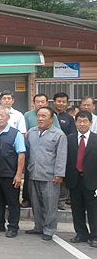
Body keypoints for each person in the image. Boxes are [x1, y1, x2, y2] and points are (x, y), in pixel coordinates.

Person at [25, 107, 67, 241]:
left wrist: (59, 174)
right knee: (36, 203)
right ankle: (38, 226)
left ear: (51, 119)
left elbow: (61, 155)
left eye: (44, 116)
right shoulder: (31, 132)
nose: (40, 118)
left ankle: (49, 229)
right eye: (38, 116)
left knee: (50, 204)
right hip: (34, 173)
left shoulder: (59, 134)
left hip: (50, 176)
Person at [0, 107, 26, 238]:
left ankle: (13, 227)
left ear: (8, 118)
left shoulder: (15, 134)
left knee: (13, 202)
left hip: (10, 175)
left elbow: (21, 155)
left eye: (2, 116)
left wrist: (19, 174)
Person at [21, 94, 61, 209]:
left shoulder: (56, 128)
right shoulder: (29, 118)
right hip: (33, 157)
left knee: (49, 198)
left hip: (49, 163)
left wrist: (59, 173)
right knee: (34, 193)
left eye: (42, 101)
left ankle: (49, 226)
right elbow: (26, 134)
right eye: (37, 101)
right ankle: (37, 224)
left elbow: (60, 151)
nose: (40, 104)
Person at [65, 111, 97, 247]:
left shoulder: (96, 139)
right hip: (74, 179)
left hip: (91, 180)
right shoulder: (70, 139)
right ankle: (81, 233)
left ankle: (94, 236)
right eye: (79, 121)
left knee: (93, 210)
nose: (82, 124)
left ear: (90, 123)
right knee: (76, 209)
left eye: (85, 121)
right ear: (75, 123)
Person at [53, 92, 77, 210]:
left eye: (63, 102)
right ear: (54, 102)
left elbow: (73, 135)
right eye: (59, 101)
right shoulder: (49, 115)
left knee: (62, 175)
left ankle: (61, 201)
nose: (61, 104)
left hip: (64, 151)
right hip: (50, 151)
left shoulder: (69, 118)